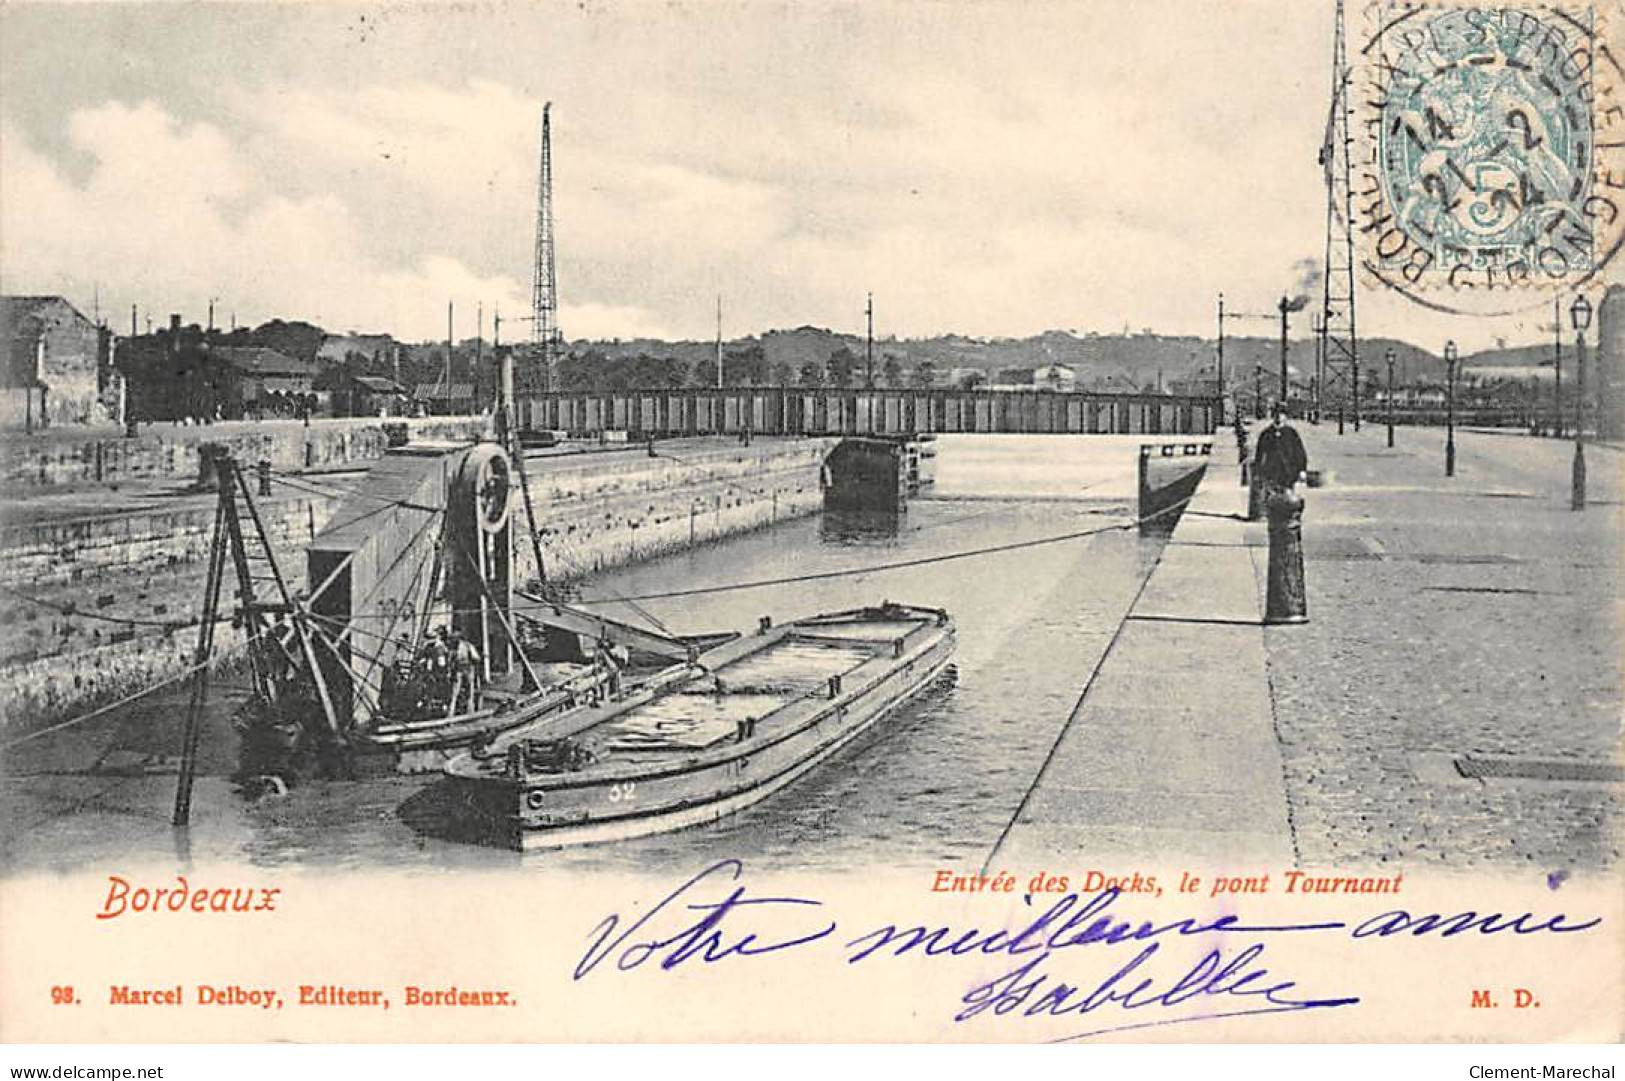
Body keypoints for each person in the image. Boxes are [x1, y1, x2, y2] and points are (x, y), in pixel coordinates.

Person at [1253, 404, 1308, 496]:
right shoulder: (1266, 434)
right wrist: (1258, 473)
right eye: (1276, 414)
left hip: (1288, 473)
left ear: (1285, 417)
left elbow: (1299, 452)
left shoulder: (1291, 433)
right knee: (1272, 499)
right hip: (1271, 473)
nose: (1278, 417)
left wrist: (1302, 470)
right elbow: (1259, 455)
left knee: (1287, 499)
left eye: (1282, 414)